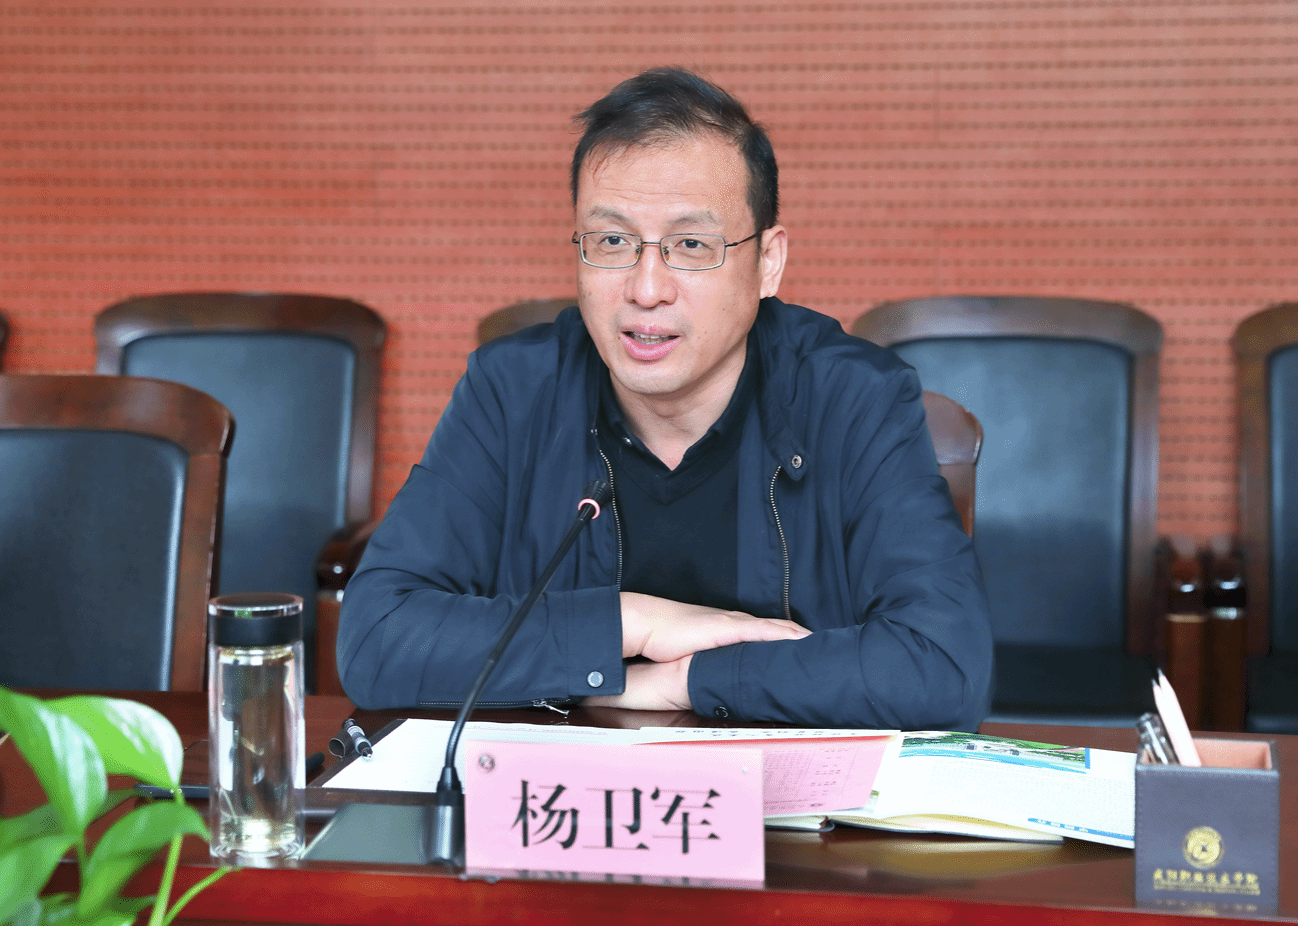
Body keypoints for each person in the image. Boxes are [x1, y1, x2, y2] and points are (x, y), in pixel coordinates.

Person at [338, 67, 993, 730]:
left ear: (767, 262)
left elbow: (942, 668)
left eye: (691, 246)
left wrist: (685, 681)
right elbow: (376, 637)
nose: (646, 289)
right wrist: (638, 625)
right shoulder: (513, 391)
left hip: (779, 794)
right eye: (612, 241)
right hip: (565, 789)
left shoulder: (855, 398)